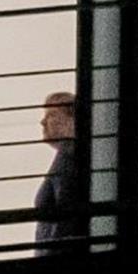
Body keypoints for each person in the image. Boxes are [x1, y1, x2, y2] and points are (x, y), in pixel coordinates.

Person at [33, 92, 88, 256]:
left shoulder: (68, 156)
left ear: (71, 120)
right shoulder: (67, 155)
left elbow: (66, 215)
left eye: (51, 115)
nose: (43, 122)